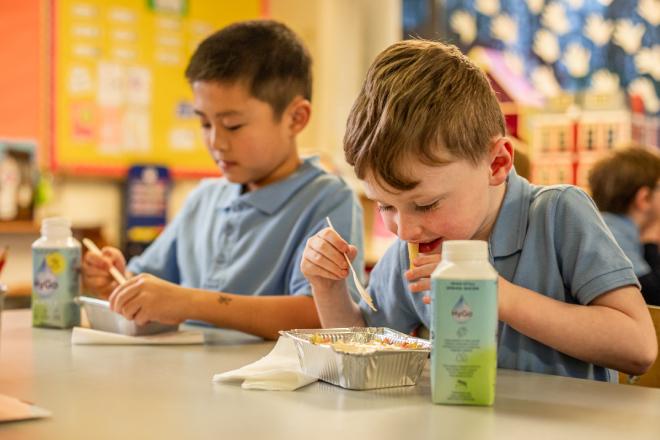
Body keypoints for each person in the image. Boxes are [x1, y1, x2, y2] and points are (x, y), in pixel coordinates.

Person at [301, 39, 657, 381]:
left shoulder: (558, 215)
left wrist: (498, 295)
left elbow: (638, 347)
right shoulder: (412, 253)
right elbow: (365, 350)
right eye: (385, 206)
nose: (405, 230)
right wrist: (328, 287)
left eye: (426, 204)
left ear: (497, 163)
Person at [82, 20, 364, 340]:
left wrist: (190, 302)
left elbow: (321, 318)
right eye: (204, 123)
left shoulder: (328, 201)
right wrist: (120, 282)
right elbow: (153, 281)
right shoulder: (205, 198)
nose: (216, 142)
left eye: (232, 125)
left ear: (295, 118)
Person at [588, 146, 660, 306]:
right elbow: (653, 295)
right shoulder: (614, 235)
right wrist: (651, 243)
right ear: (644, 198)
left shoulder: (609, 226)